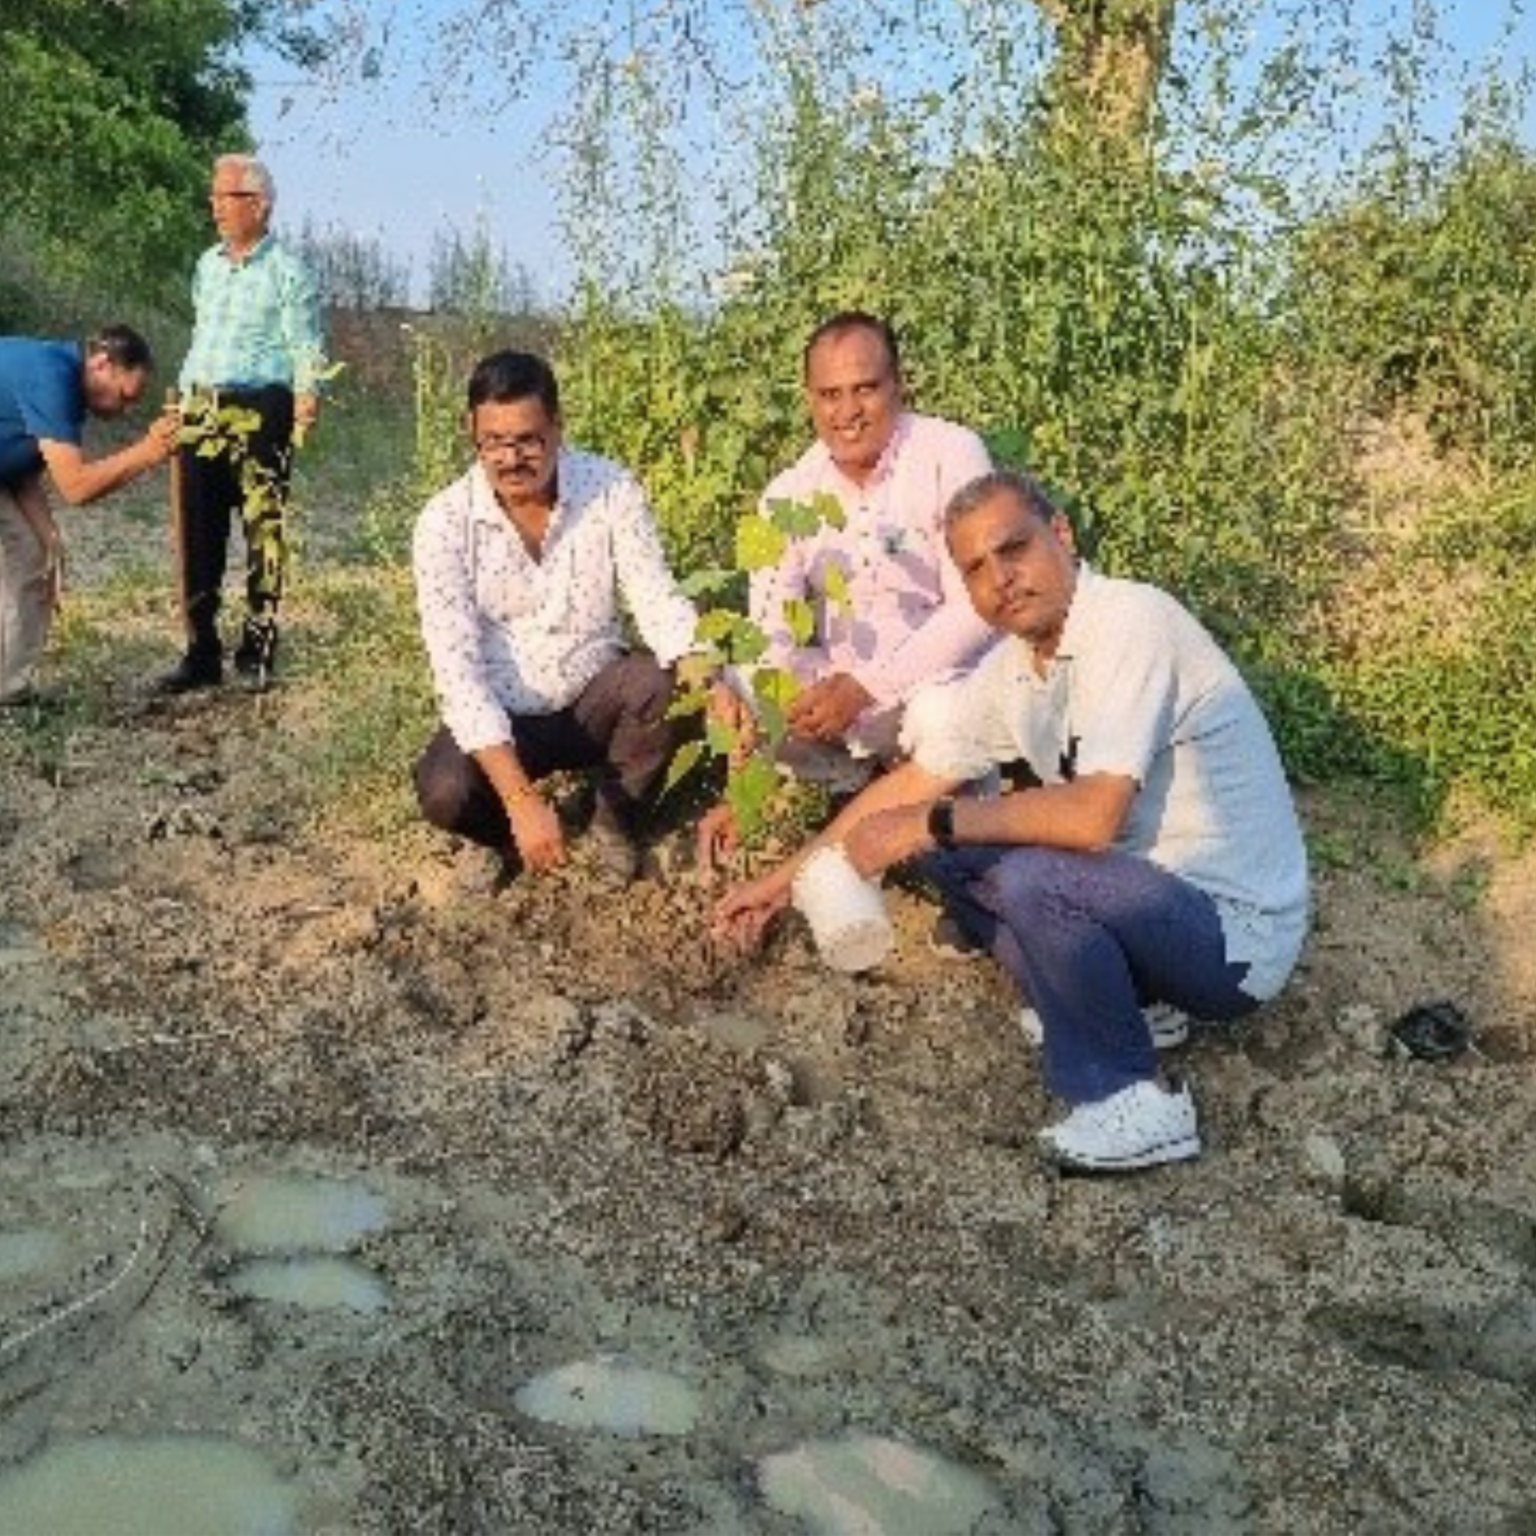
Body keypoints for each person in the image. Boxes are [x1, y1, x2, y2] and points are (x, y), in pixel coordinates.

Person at [714, 470, 1309, 1174]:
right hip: (1148, 902)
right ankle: (1130, 1005)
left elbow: (1093, 818)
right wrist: (784, 883)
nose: (1001, 578)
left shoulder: (1130, 623)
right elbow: (916, 784)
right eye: (975, 568)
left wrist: (932, 819)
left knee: (1028, 876)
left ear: (1062, 535)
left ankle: (1131, 1096)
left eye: (1014, 549)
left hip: (1231, 938)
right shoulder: (1014, 669)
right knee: (948, 856)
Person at [413, 348, 720, 887]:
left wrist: (710, 680)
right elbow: (457, 674)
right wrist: (519, 798)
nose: (511, 459)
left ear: (557, 427)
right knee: (444, 790)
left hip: (592, 698)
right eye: (494, 442)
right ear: (471, 432)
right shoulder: (443, 523)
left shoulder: (609, 489)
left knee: (662, 684)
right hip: (504, 717)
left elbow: (655, 597)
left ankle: (611, 819)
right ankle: (505, 837)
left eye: (528, 440)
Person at [698, 311, 994, 866]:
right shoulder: (790, 493)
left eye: (865, 389)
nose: (848, 412)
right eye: (830, 395)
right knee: (743, 684)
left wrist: (867, 686)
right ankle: (856, 782)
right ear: (809, 398)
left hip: (938, 679)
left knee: (941, 715)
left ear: (899, 385)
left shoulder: (950, 454)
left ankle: (961, 825)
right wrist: (746, 780)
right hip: (843, 692)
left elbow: (977, 610)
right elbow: (771, 631)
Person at [158, 152, 326, 693]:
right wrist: (184, 401)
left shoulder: (289, 271)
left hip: (262, 406)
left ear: (259, 204)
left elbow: (306, 344)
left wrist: (307, 397)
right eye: (213, 197)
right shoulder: (207, 265)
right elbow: (202, 333)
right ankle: (200, 651)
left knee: (262, 529)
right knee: (198, 529)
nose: (215, 207)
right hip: (201, 406)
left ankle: (257, 650)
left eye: (225, 197)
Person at [0, 325, 178, 703]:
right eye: (125, 396)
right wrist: (150, 451)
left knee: (35, 557)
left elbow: (18, 470)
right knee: (25, 560)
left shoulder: (64, 381)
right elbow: (75, 487)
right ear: (101, 363)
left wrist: (51, 539)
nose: (125, 409)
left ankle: (11, 687)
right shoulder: (51, 378)